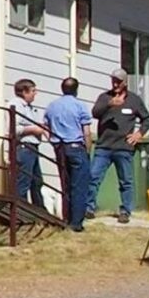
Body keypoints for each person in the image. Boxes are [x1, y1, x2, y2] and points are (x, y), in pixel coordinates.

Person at [89, 68, 149, 224]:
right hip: (104, 146)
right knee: (93, 177)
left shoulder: (134, 100)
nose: (115, 84)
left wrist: (139, 134)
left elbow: (146, 118)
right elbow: (95, 113)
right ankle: (88, 208)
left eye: (118, 81)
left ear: (125, 82)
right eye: (113, 81)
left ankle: (125, 211)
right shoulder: (105, 97)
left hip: (124, 147)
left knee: (126, 181)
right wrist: (110, 104)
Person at [44, 77, 93, 232]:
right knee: (79, 185)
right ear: (76, 89)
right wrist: (88, 149)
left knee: (65, 183)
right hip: (76, 146)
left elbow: (45, 126)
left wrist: (52, 141)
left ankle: (66, 217)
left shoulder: (52, 106)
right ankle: (76, 222)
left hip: (59, 147)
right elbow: (86, 131)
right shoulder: (79, 106)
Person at [7, 78, 49, 212]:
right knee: (23, 180)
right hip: (24, 147)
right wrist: (32, 129)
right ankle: (21, 211)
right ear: (24, 92)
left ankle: (39, 210)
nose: (35, 94)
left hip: (33, 147)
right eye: (33, 91)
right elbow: (12, 129)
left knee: (37, 181)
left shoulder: (30, 108)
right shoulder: (16, 105)